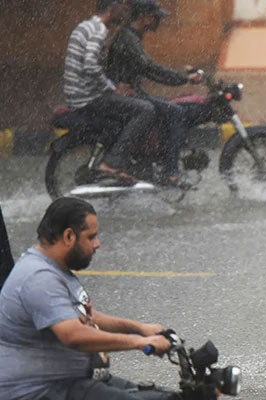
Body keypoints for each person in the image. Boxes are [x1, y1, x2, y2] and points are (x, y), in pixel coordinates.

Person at [0, 198, 175, 400]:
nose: (97, 244)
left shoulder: (53, 267)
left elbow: (77, 315)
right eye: (91, 237)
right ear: (68, 236)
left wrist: (140, 328)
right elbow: (73, 335)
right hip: (41, 390)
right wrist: (139, 343)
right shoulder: (39, 278)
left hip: (71, 381)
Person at [105, 0, 202, 189]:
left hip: (132, 93)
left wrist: (182, 75)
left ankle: (156, 164)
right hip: (128, 96)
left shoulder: (131, 37)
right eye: (155, 16)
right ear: (144, 17)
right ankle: (171, 172)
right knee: (176, 112)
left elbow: (149, 68)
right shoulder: (128, 38)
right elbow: (150, 69)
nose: (158, 21)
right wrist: (185, 78)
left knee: (169, 109)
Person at [63, 0, 156, 183]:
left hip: (77, 96)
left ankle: (119, 164)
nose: (125, 13)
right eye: (123, 7)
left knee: (126, 111)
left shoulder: (85, 26)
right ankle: (111, 164)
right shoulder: (99, 30)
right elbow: (90, 64)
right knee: (145, 109)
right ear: (114, 7)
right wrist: (112, 88)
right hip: (89, 98)